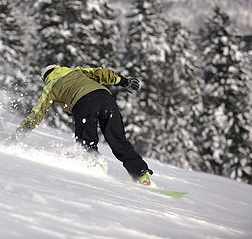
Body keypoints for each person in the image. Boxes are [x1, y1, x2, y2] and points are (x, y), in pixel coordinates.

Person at [17, 64, 153, 186]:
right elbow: (102, 73)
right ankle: (141, 172)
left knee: (86, 141)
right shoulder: (77, 72)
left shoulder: (51, 86)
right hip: (106, 98)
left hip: (84, 103)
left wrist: (22, 130)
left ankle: (94, 164)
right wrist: (124, 81)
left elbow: (37, 113)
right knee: (118, 139)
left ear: (45, 78)